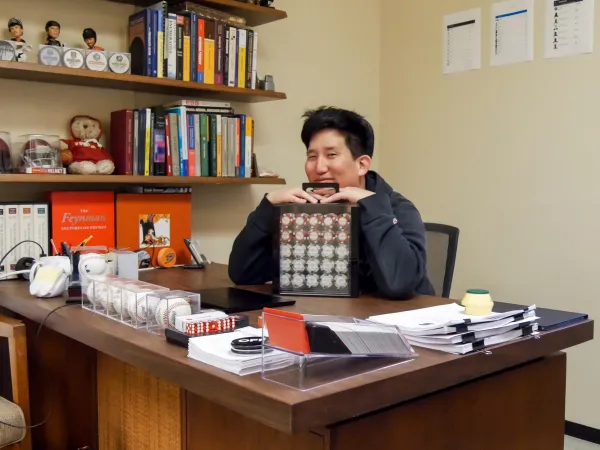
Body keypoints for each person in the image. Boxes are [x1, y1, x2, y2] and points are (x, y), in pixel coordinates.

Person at [228, 106, 435, 300]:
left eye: (331, 155)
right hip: (325, 315)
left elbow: (400, 285)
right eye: (312, 156)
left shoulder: (397, 208)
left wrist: (373, 208)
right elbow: (243, 275)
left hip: (401, 325)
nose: (319, 167)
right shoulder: (304, 211)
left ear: (362, 164)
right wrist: (268, 207)